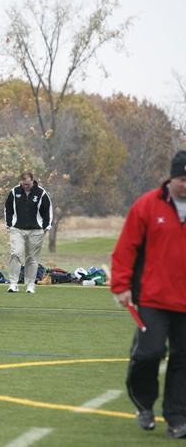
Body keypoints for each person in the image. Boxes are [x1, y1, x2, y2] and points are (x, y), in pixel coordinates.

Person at [111, 150, 186, 438]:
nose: (185, 185)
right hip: (152, 298)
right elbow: (125, 248)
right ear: (171, 178)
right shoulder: (147, 206)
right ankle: (144, 404)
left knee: (183, 358)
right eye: (181, 179)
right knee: (149, 354)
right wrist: (121, 286)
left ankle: (177, 416)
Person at [3, 171, 52, 293]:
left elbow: (48, 210)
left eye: (28, 184)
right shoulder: (14, 192)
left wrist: (46, 227)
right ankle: (13, 283)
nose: (26, 186)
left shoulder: (41, 193)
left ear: (32, 181)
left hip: (36, 230)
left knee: (32, 258)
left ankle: (30, 284)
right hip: (17, 229)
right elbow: (7, 208)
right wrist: (9, 224)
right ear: (21, 182)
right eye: (24, 184)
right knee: (16, 254)